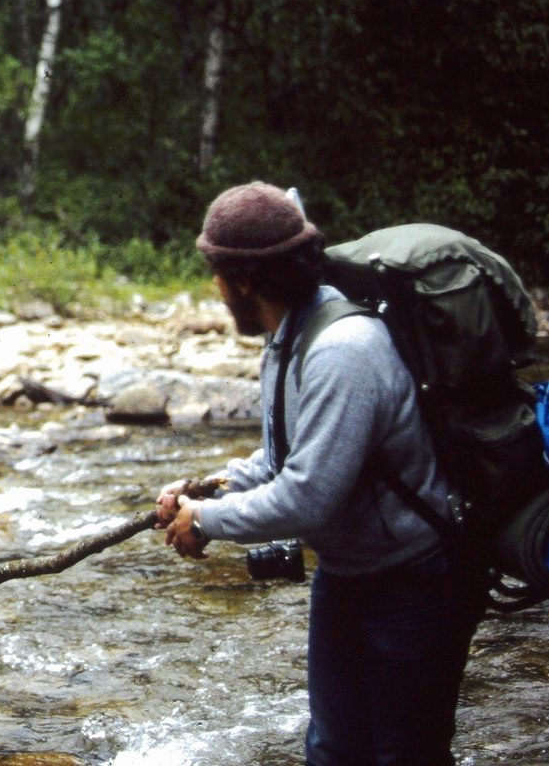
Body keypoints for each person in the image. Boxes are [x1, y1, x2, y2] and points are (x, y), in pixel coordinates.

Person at [153, 181, 483, 766]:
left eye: (218, 273)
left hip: (418, 583)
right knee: (332, 753)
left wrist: (206, 521)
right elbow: (282, 459)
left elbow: (309, 498)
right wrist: (203, 490)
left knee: (406, 757)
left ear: (246, 280)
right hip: (351, 577)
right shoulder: (288, 339)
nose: (215, 287)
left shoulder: (343, 350)